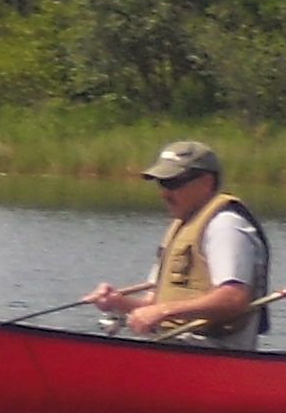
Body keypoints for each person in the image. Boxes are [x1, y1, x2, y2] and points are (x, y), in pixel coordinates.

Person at [82, 139, 273, 349]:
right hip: (173, 345)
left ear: (207, 182)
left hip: (213, 354)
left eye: (173, 183)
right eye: (161, 184)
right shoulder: (181, 225)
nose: (164, 193)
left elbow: (234, 298)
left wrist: (163, 312)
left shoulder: (225, 226)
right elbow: (153, 304)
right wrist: (118, 304)